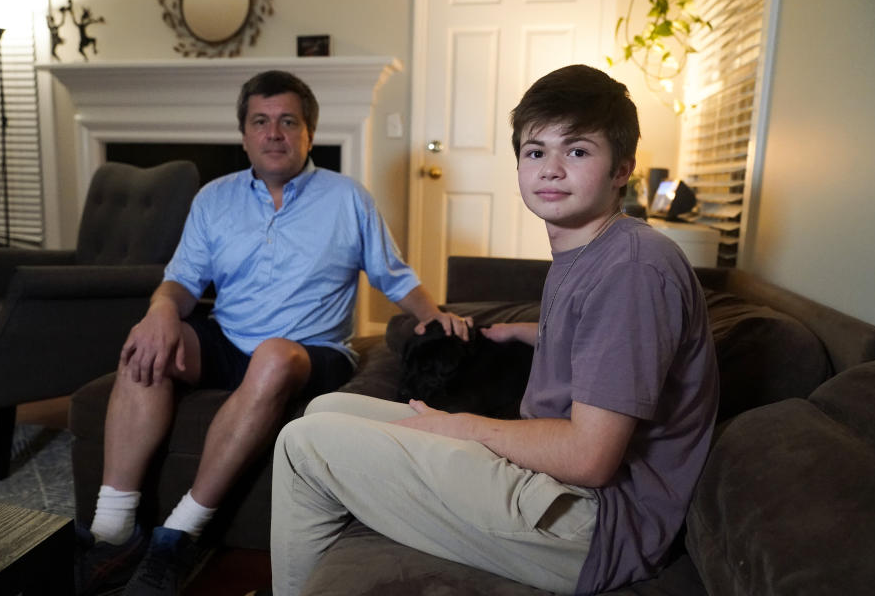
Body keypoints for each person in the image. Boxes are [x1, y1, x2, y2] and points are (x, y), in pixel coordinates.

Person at [268, 65, 720, 595]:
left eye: (576, 151)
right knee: (326, 409)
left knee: (305, 443)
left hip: (591, 524)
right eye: (535, 151)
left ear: (622, 168)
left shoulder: (632, 270)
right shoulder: (594, 252)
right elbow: (600, 337)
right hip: (557, 491)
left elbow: (589, 459)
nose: (551, 169)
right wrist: (528, 331)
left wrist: (460, 426)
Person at [74, 70, 469, 596]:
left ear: (309, 133)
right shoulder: (214, 198)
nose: (274, 133)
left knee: (274, 356)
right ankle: (113, 528)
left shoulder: (347, 198)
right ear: (245, 135)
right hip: (229, 339)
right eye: (261, 122)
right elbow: (181, 283)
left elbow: (395, 277)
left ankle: (180, 533)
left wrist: (435, 314)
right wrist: (159, 313)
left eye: (288, 121)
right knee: (148, 341)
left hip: (310, 353)